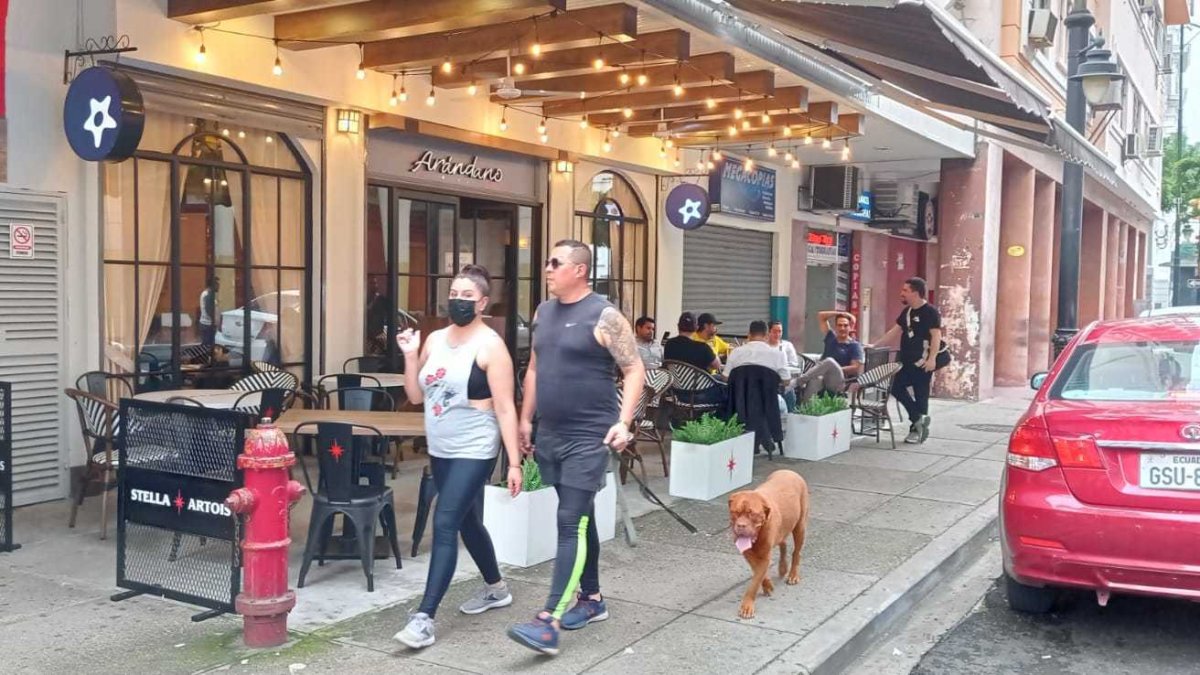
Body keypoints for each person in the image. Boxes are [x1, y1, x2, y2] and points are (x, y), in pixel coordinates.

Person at [507, 240, 644, 656]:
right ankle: (593, 598)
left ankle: (548, 620)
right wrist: (525, 418)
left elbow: (634, 368)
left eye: (556, 262)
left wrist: (624, 422)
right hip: (551, 433)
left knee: (569, 522)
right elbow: (534, 368)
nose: (548, 268)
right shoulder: (543, 313)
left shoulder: (604, 315)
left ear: (580, 270)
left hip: (589, 436)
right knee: (579, 517)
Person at [392, 264, 523, 650]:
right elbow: (415, 396)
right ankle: (496, 589)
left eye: (468, 296)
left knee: (445, 521)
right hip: (441, 447)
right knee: (468, 522)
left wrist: (514, 463)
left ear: (483, 303)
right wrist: (410, 356)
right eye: (454, 293)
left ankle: (424, 618)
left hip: (475, 448)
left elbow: (505, 408)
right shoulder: (434, 339)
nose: (459, 301)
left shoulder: (490, 347)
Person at [868, 277, 942, 444]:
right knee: (895, 386)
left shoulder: (930, 312)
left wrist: (932, 359)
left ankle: (916, 431)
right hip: (906, 361)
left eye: (905, 290)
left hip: (922, 362)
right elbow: (894, 331)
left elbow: (936, 336)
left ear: (915, 293)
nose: (901, 293)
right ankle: (917, 418)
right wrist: (875, 345)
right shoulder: (907, 312)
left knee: (921, 395)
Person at [724, 320, 789, 380]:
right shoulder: (779, 355)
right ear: (767, 336)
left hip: (741, 389)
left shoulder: (735, 352)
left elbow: (725, 377)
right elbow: (786, 380)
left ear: (749, 335)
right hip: (768, 389)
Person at [816, 310, 864, 381]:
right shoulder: (831, 337)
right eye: (840, 325)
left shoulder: (855, 346)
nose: (842, 328)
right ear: (836, 327)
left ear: (850, 328)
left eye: (845, 325)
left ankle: (802, 380)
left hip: (839, 379)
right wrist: (841, 313)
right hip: (821, 375)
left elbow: (855, 368)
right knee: (814, 379)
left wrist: (834, 370)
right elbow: (821, 315)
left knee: (829, 362)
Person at [198, 275, 219, 347]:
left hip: (207, 324)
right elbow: (209, 310)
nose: (218, 286)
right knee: (207, 346)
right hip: (208, 325)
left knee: (207, 345)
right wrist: (214, 321)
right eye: (217, 284)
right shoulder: (208, 294)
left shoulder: (207, 294)